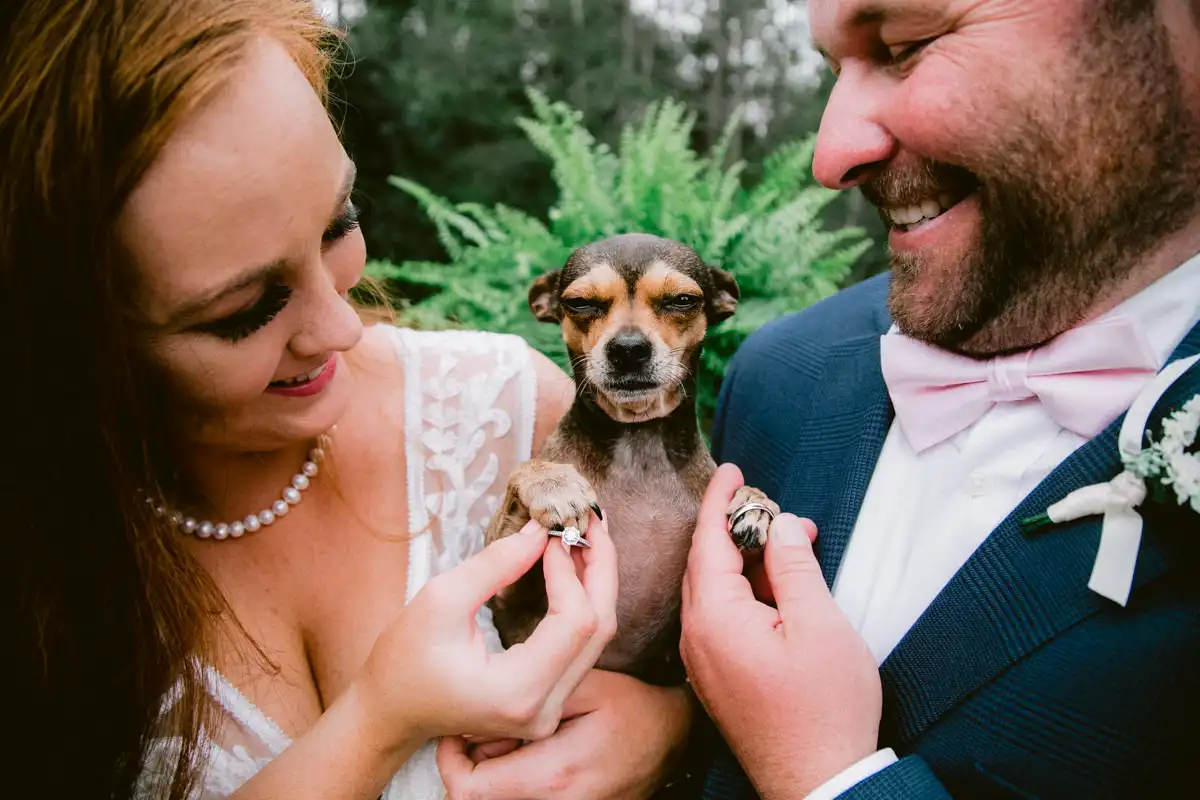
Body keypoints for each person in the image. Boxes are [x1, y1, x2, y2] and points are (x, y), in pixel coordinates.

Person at [4, 2, 693, 798]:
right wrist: (379, 723)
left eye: (339, 224)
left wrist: (666, 733)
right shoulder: (32, 561)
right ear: (69, 342)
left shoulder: (509, 412)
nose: (340, 326)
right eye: (244, 312)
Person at [679, 0, 1200, 798]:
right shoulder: (779, 375)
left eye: (905, 46)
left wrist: (827, 778)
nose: (830, 155)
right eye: (831, 69)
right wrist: (655, 746)